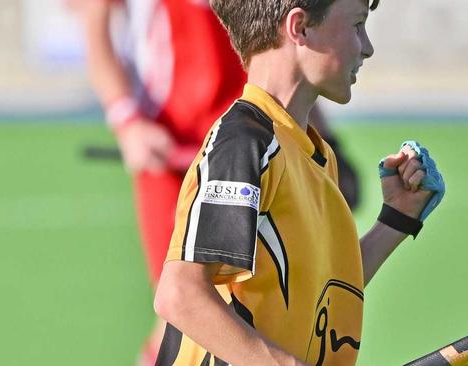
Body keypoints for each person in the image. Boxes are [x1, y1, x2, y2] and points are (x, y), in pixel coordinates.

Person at [153, 0, 445, 365]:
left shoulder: (312, 151)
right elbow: (180, 294)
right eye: (357, 25)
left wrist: (396, 220)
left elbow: (321, 289)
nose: (366, 46)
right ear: (300, 28)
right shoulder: (246, 144)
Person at [74, 0, 361, 363]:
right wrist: (126, 119)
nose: (366, 47)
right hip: (172, 154)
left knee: (262, 291)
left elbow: (284, 54)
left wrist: (322, 137)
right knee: (192, 301)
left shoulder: (265, 137)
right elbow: (92, 20)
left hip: (255, 141)